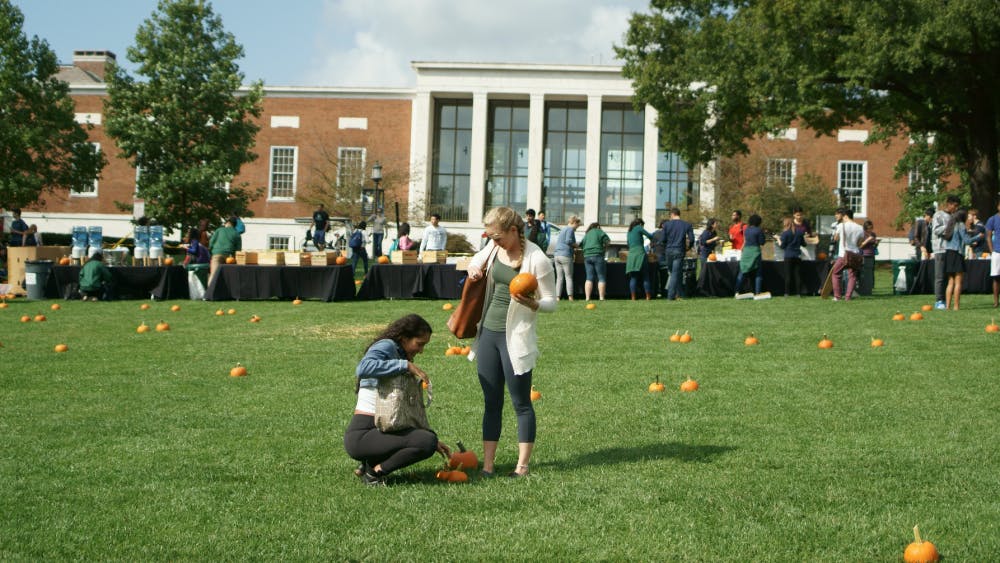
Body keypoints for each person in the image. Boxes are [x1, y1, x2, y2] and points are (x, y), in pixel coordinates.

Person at [465, 206, 556, 478]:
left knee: (521, 402)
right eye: (491, 238)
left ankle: (522, 466)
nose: (494, 242)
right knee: (491, 401)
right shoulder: (494, 249)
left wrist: (535, 303)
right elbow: (475, 261)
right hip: (488, 335)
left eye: (498, 237)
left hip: (515, 339)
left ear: (514, 231)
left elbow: (552, 302)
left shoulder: (537, 259)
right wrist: (474, 271)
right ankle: (488, 466)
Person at [344, 314, 451, 486]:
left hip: (379, 431)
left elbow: (398, 418)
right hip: (362, 435)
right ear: (404, 338)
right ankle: (374, 474)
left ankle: (368, 464)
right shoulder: (387, 346)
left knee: (429, 438)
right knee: (427, 440)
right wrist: (405, 365)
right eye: (419, 344)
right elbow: (363, 367)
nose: (421, 350)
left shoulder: (399, 352)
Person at [944, 209, 980, 310]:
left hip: (948, 253)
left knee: (950, 281)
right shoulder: (961, 225)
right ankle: (956, 306)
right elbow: (967, 240)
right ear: (963, 216)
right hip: (957, 252)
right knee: (958, 281)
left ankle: (947, 306)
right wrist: (978, 237)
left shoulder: (950, 224)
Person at [932, 195, 961, 310]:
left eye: (957, 207)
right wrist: (949, 225)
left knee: (949, 276)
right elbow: (936, 230)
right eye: (955, 206)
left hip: (952, 249)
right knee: (940, 276)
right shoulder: (938, 215)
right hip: (940, 248)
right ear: (949, 204)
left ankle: (948, 300)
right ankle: (939, 300)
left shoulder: (955, 216)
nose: (956, 208)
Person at [659, 208, 695, 300]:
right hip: (679, 250)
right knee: (675, 273)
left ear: (672, 214)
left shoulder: (666, 225)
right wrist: (688, 247)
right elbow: (691, 239)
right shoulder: (687, 225)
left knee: (674, 273)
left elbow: (662, 239)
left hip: (669, 251)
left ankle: (679, 294)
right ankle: (672, 296)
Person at [830, 207, 864, 301]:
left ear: (845, 216)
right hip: (855, 254)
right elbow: (859, 243)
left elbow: (836, 239)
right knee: (852, 276)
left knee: (836, 273)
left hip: (843, 254)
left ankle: (837, 296)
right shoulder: (860, 228)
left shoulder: (841, 226)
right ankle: (848, 296)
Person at [734, 214, 767, 299]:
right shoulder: (759, 230)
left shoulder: (747, 230)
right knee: (758, 274)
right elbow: (762, 242)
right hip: (755, 252)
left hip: (746, 252)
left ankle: (736, 291)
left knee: (742, 272)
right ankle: (757, 292)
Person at [625, 218, 655, 300]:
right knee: (645, 276)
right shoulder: (639, 227)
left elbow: (628, 243)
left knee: (633, 277)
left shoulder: (629, 231)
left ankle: (633, 297)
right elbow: (650, 236)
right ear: (640, 224)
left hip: (631, 255)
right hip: (640, 254)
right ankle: (648, 296)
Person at [776, 216, 806, 297]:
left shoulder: (785, 233)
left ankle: (787, 293)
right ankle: (798, 293)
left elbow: (782, 246)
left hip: (788, 255)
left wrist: (778, 239)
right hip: (797, 255)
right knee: (797, 275)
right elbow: (804, 244)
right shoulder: (799, 232)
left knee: (788, 275)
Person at [553, 215, 581, 300]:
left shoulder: (563, 229)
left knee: (559, 278)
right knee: (568, 277)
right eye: (578, 225)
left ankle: (557, 297)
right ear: (574, 223)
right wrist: (576, 245)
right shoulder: (570, 229)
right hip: (565, 255)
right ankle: (570, 297)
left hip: (557, 255)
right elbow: (568, 241)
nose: (577, 227)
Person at [580, 222, 610, 301]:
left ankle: (587, 298)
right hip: (598, 255)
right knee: (601, 277)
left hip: (587, 256)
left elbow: (581, 245)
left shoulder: (587, 234)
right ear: (598, 226)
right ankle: (601, 297)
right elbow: (608, 241)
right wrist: (604, 249)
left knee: (589, 277)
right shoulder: (599, 231)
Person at [208, 216, 242, 282]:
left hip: (217, 254)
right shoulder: (237, 234)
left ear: (228, 223)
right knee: (228, 277)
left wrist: (211, 251)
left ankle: (210, 291)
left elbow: (211, 242)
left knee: (214, 275)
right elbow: (238, 250)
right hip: (229, 258)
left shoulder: (219, 230)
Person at [857, 220, 879, 296]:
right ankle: (864, 290)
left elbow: (874, 245)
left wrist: (876, 243)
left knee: (870, 273)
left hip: (871, 254)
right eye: (868, 228)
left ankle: (869, 288)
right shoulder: (863, 234)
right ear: (865, 228)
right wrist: (868, 240)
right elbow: (860, 245)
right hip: (864, 255)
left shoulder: (873, 234)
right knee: (864, 272)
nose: (870, 230)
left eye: (871, 228)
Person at [985, 201, 1000, 308]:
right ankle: (996, 301)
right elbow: (988, 236)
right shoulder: (992, 219)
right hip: (997, 252)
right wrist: (992, 250)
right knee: (996, 277)